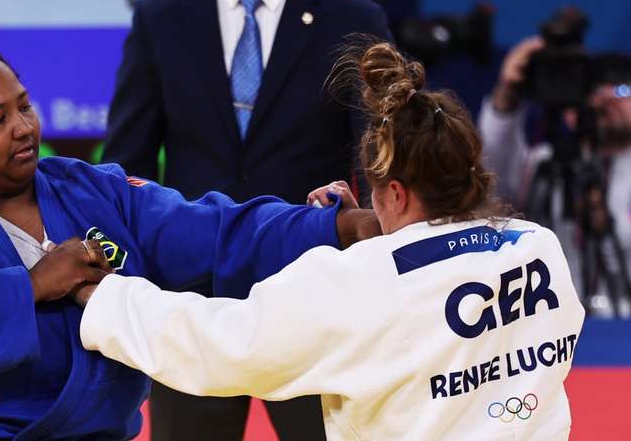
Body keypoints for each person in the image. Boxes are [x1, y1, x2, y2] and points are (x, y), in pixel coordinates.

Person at [0, 0, 379, 441]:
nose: (23, 127)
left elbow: (216, 230)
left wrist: (332, 229)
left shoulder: (92, 190)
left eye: (24, 105)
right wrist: (33, 286)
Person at [80, 41, 586, 441]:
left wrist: (104, 300)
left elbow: (220, 347)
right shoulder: (537, 246)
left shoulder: (356, 285)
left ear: (393, 192)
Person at [102, 0, 390, 436]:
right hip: (192, 301)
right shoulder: (160, 17)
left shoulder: (354, 20)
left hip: (316, 294)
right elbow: (127, 164)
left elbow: (384, 163)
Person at [478, 35, 631, 315]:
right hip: (552, 327)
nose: (608, 99)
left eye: (622, 89)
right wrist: (507, 92)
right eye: (598, 90)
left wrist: (604, 220)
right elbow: (489, 172)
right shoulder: (545, 165)